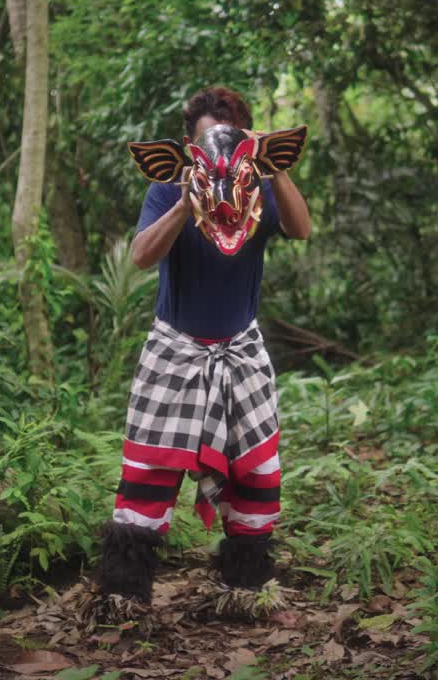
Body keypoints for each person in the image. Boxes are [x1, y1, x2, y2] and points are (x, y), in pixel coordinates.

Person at [93, 86, 312, 615]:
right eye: (201, 144)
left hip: (241, 351)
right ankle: (123, 597)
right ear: (188, 146)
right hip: (175, 350)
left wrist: (273, 165)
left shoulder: (260, 187)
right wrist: (186, 204)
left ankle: (243, 591)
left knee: (255, 472)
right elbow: (142, 257)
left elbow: (302, 229)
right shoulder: (168, 189)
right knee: (149, 469)